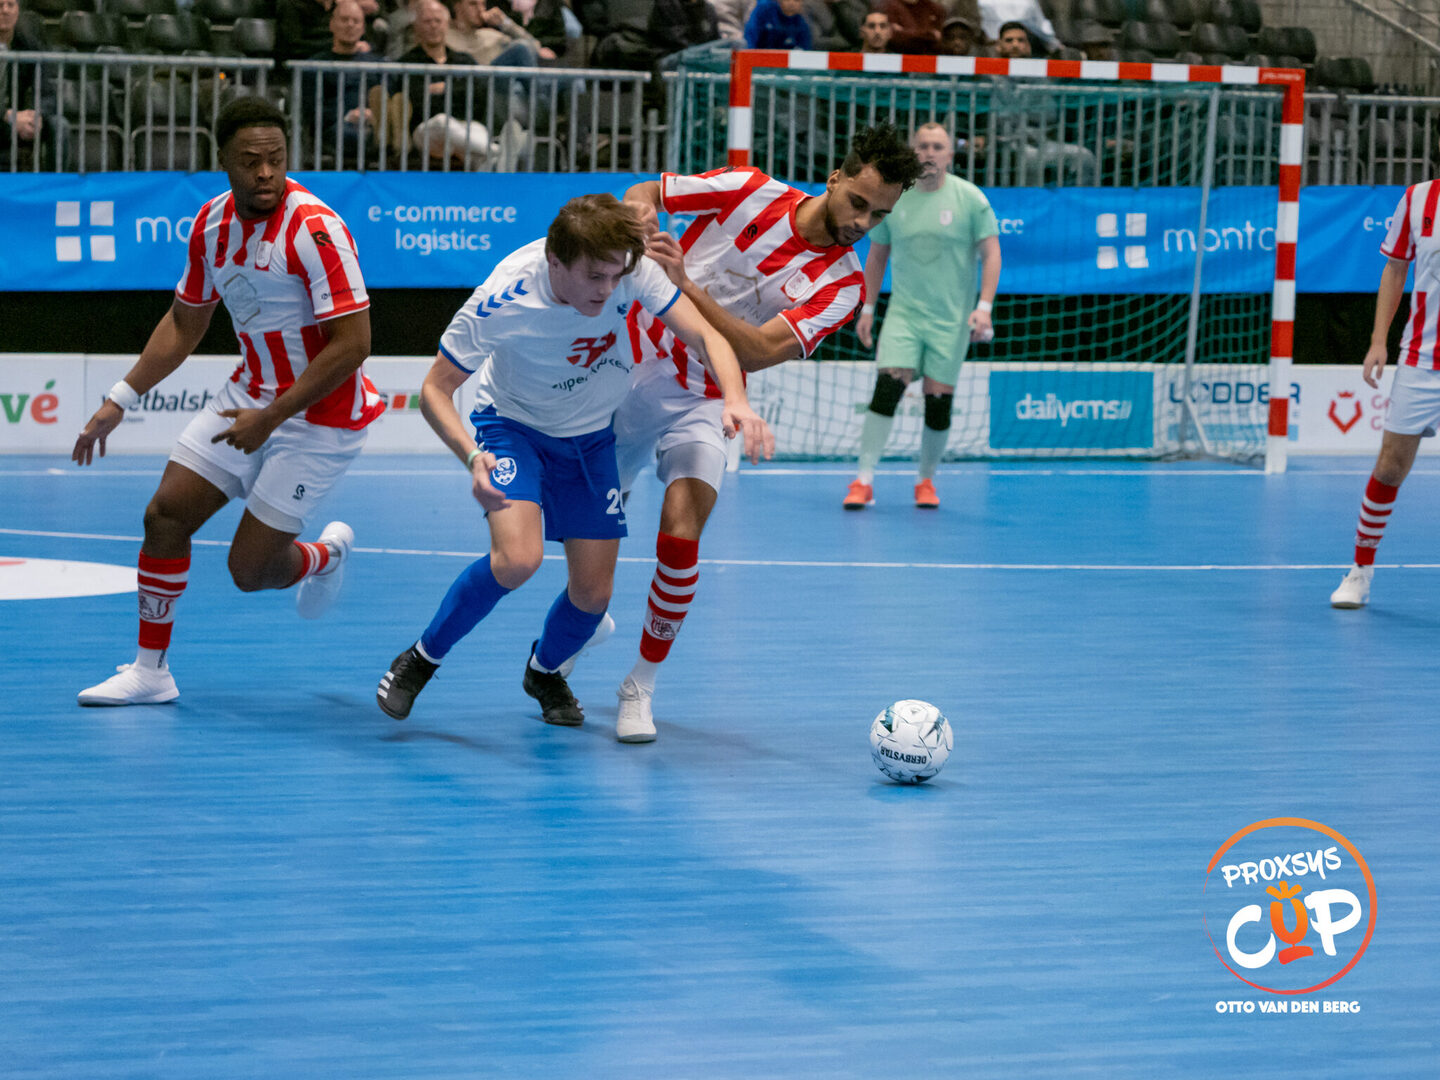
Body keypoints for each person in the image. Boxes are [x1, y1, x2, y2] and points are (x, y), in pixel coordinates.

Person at [374, 194, 769, 730]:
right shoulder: (503, 298)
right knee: (517, 560)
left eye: (615, 276)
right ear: (555, 262)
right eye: (594, 277)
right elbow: (433, 390)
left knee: (593, 595)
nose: (607, 290)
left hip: (590, 438)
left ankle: (544, 671)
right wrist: (471, 456)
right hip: (513, 427)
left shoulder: (631, 273)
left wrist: (735, 397)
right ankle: (421, 658)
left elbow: (705, 333)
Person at [608, 123, 921, 741]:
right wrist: (640, 222)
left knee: (680, 536)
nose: (862, 223)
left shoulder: (844, 286)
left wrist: (685, 285)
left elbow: (753, 351)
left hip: (708, 399)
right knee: (585, 540)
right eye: (858, 203)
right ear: (834, 178)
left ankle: (640, 683)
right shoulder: (747, 188)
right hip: (626, 368)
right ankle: (574, 631)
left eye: (879, 216)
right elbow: (644, 191)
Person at [72, 97, 382, 706]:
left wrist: (271, 418)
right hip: (248, 395)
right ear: (223, 160)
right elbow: (184, 323)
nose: (265, 172)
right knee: (165, 516)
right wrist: (121, 397)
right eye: (250, 161)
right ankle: (151, 671)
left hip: (320, 416)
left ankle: (323, 556)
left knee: (249, 571)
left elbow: (354, 344)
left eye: (276, 159)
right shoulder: (210, 225)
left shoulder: (316, 230)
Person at [844, 123, 1000, 510]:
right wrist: (867, 307)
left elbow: (991, 254)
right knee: (888, 386)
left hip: (951, 320)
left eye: (937, 147)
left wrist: (984, 308)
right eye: (923, 146)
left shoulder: (971, 199)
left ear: (950, 155)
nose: (929, 153)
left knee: (938, 400)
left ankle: (925, 481)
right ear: (912, 153)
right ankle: (863, 480)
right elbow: (877, 255)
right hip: (905, 314)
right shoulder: (896, 198)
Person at [1330, 182, 1440, 609]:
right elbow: (1395, 269)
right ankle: (1360, 571)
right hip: (1421, 359)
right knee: (1390, 467)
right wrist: (1378, 340)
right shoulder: (1417, 199)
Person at [300, 0, 375, 165]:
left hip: (373, 124)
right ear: (331, 24)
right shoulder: (315, 65)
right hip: (334, 127)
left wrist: (374, 113)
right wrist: (348, 115)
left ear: (363, 28)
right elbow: (312, 110)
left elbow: (389, 95)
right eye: (344, 19)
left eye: (356, 21)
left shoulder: (378, 65)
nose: (350, 25)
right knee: (355, 135)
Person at [881, 0, 945, 54]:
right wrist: (928, 34)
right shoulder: (889, 6)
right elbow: (894, 36)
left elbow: (937, 39)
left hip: (928, 57)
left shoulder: (934, 8)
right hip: (896, 56)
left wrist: (904, 32)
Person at [744, 0, 812, 50]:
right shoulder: (764, 11)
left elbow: (805, 49)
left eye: (796, 0)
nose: (791, 3)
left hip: (784, 62)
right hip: (760, 58)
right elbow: (750, 37)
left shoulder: (802, 24)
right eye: (787, 0)